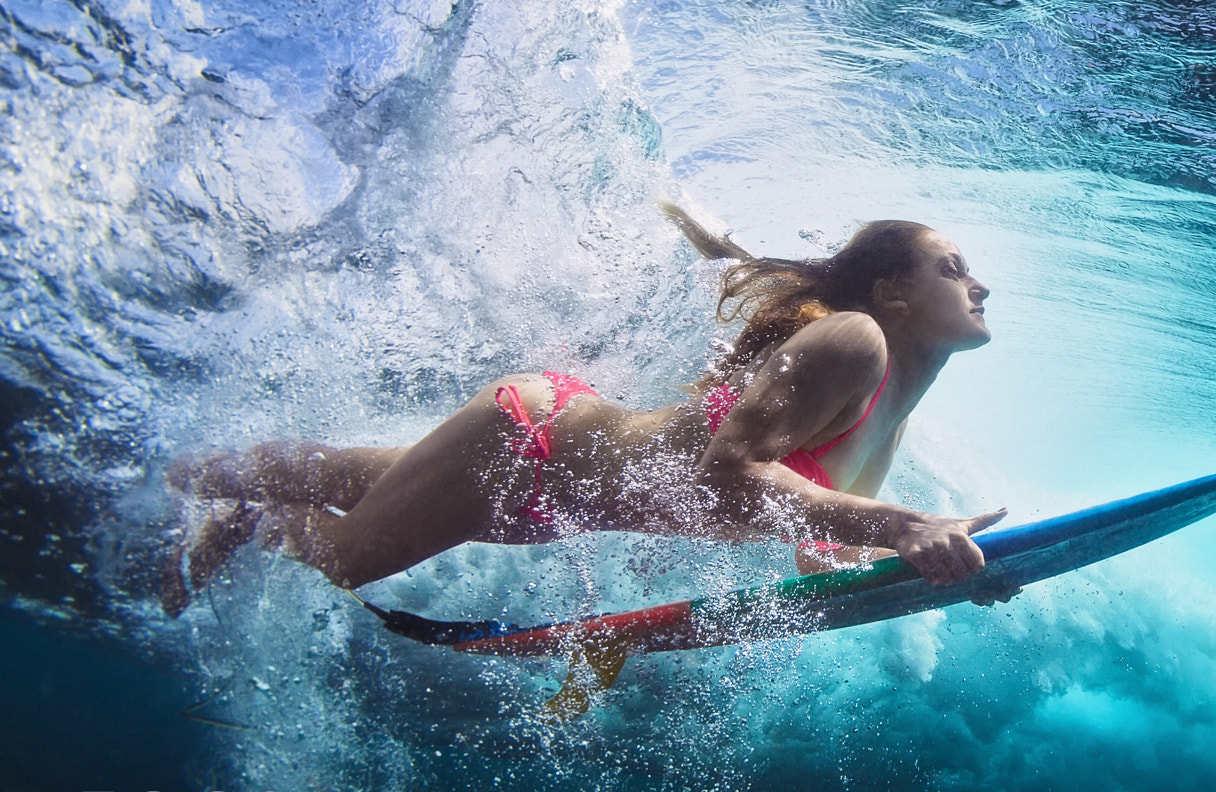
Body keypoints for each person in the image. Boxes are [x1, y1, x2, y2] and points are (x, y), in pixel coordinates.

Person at [160, 218, 1005, 617]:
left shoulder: (891, 417)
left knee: (347, 477)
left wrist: (944, 570)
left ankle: (183, 471)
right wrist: (906, 526)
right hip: (524, 448)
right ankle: (253, 517)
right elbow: (729, 472)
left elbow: (822, 541)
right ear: (892, 290)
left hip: (547, 502)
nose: (980, 286)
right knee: (345, 556)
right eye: (954, 268)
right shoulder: (854, 342)